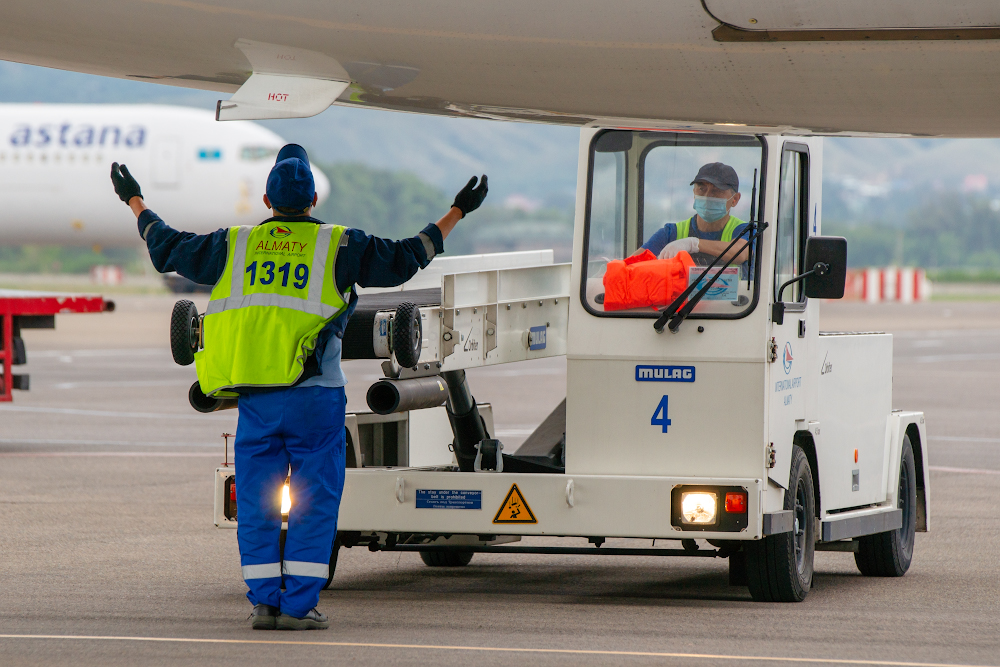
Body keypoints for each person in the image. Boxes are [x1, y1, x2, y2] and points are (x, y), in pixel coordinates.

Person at [110, 145, 488, 631]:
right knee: (314, 499)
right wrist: (457, 210)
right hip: (315, 396)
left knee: (258, 500)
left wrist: (134, 199)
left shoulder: (235, 245)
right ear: (313, 199)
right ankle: (299, 606)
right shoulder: (339, 245)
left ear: (267, 199)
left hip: (256, 397)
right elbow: (406, 258)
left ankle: (265, 604)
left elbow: (166, 246)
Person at [640, 162, 751, 266]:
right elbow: (631, 265)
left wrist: (693, 244)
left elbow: (740, 253)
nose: (707, 196)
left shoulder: (744, 230)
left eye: (717, 191)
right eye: (702, 189)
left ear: (735, 199)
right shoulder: (670, 233)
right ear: (694, 193)